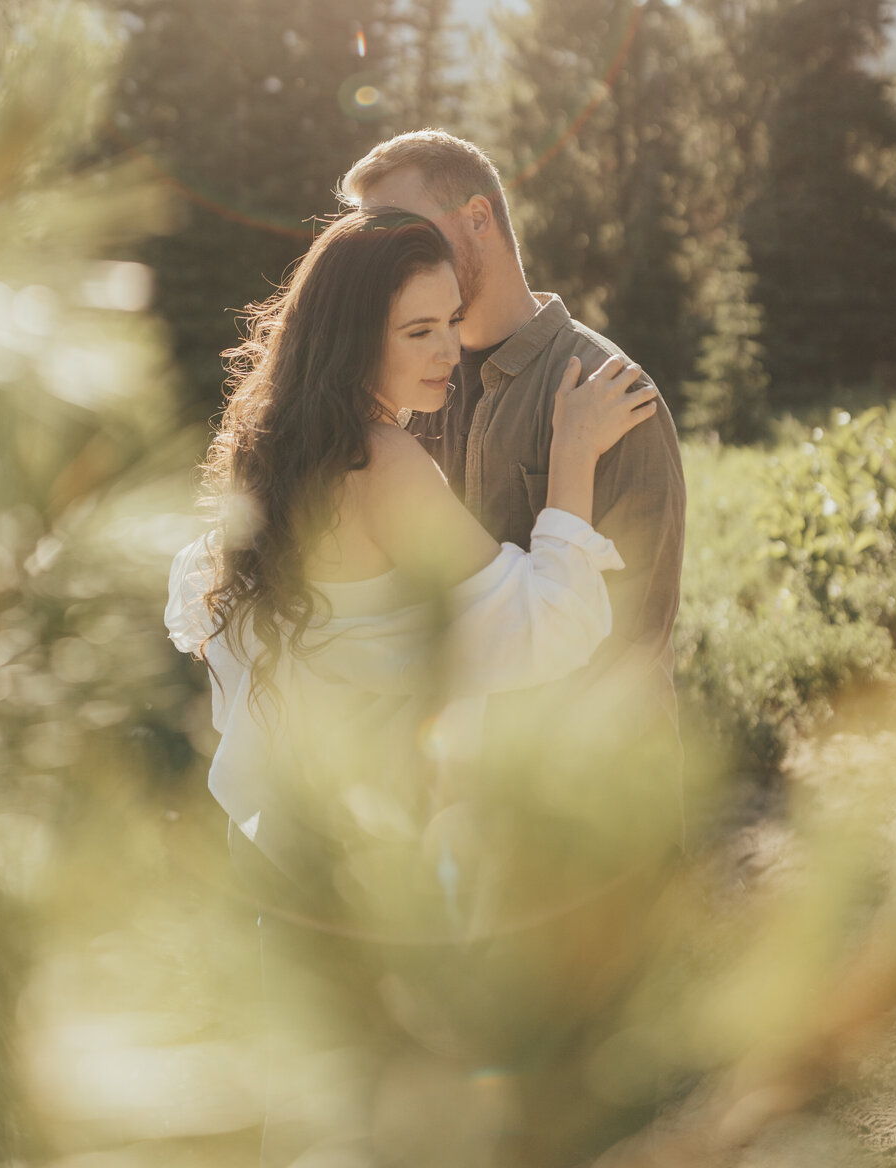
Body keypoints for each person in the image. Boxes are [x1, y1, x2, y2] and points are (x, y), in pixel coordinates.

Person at [166, 207, 656, 1166]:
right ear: (355, 335)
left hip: (290, 857)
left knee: (310, 1118)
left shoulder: (273, 446)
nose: (448, 356)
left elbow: (225, 621)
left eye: (451, 323)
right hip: (380, 869)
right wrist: (572, 458)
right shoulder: (386, 462)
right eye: (417, 331)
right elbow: (541, 627)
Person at [338, 130, 687, 812]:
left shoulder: (607, 391)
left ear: (478, 219)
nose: (388, 256)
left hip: (592, 816)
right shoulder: (402, 394)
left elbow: (629, 637)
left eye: (403, 229)